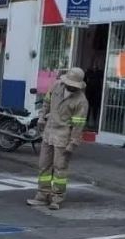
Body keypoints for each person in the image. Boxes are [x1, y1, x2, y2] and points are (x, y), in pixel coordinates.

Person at [27, 68, 89, 210]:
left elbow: (78, 126)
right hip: (49, 132)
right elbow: (46, 103)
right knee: (44, 165)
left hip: (63, 136)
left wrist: (72, 144)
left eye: (74, 85)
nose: (70, 86)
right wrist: (42, 116)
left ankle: (57, 197)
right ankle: (42, 195)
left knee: (60, 169)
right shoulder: (56, 86)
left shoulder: (81, 101)